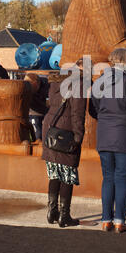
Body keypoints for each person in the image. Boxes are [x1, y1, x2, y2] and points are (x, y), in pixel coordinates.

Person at [90, 48, 126, 233]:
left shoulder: (100, 81)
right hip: (124, 136)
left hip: (104, 134)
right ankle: (120, 220)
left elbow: (93, 108)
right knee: (122, 179)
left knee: (108, 178)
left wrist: (105, 118)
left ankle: (106, 220)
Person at [41, 59, 89, 228]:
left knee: (55, 173)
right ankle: (64, 215)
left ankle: (51, 211)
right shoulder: (79, 83)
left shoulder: (56, 80)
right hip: (66, 132)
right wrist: (78, 137)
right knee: (67, 175)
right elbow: (77, 114)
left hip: (51, 129)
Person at [24, 73, 49, 140]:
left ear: (36, 83)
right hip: (33, 113)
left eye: (32, 86)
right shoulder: (25, 87)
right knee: (37, 135)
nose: (30, 88)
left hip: (47, 112)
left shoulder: (47, 84)